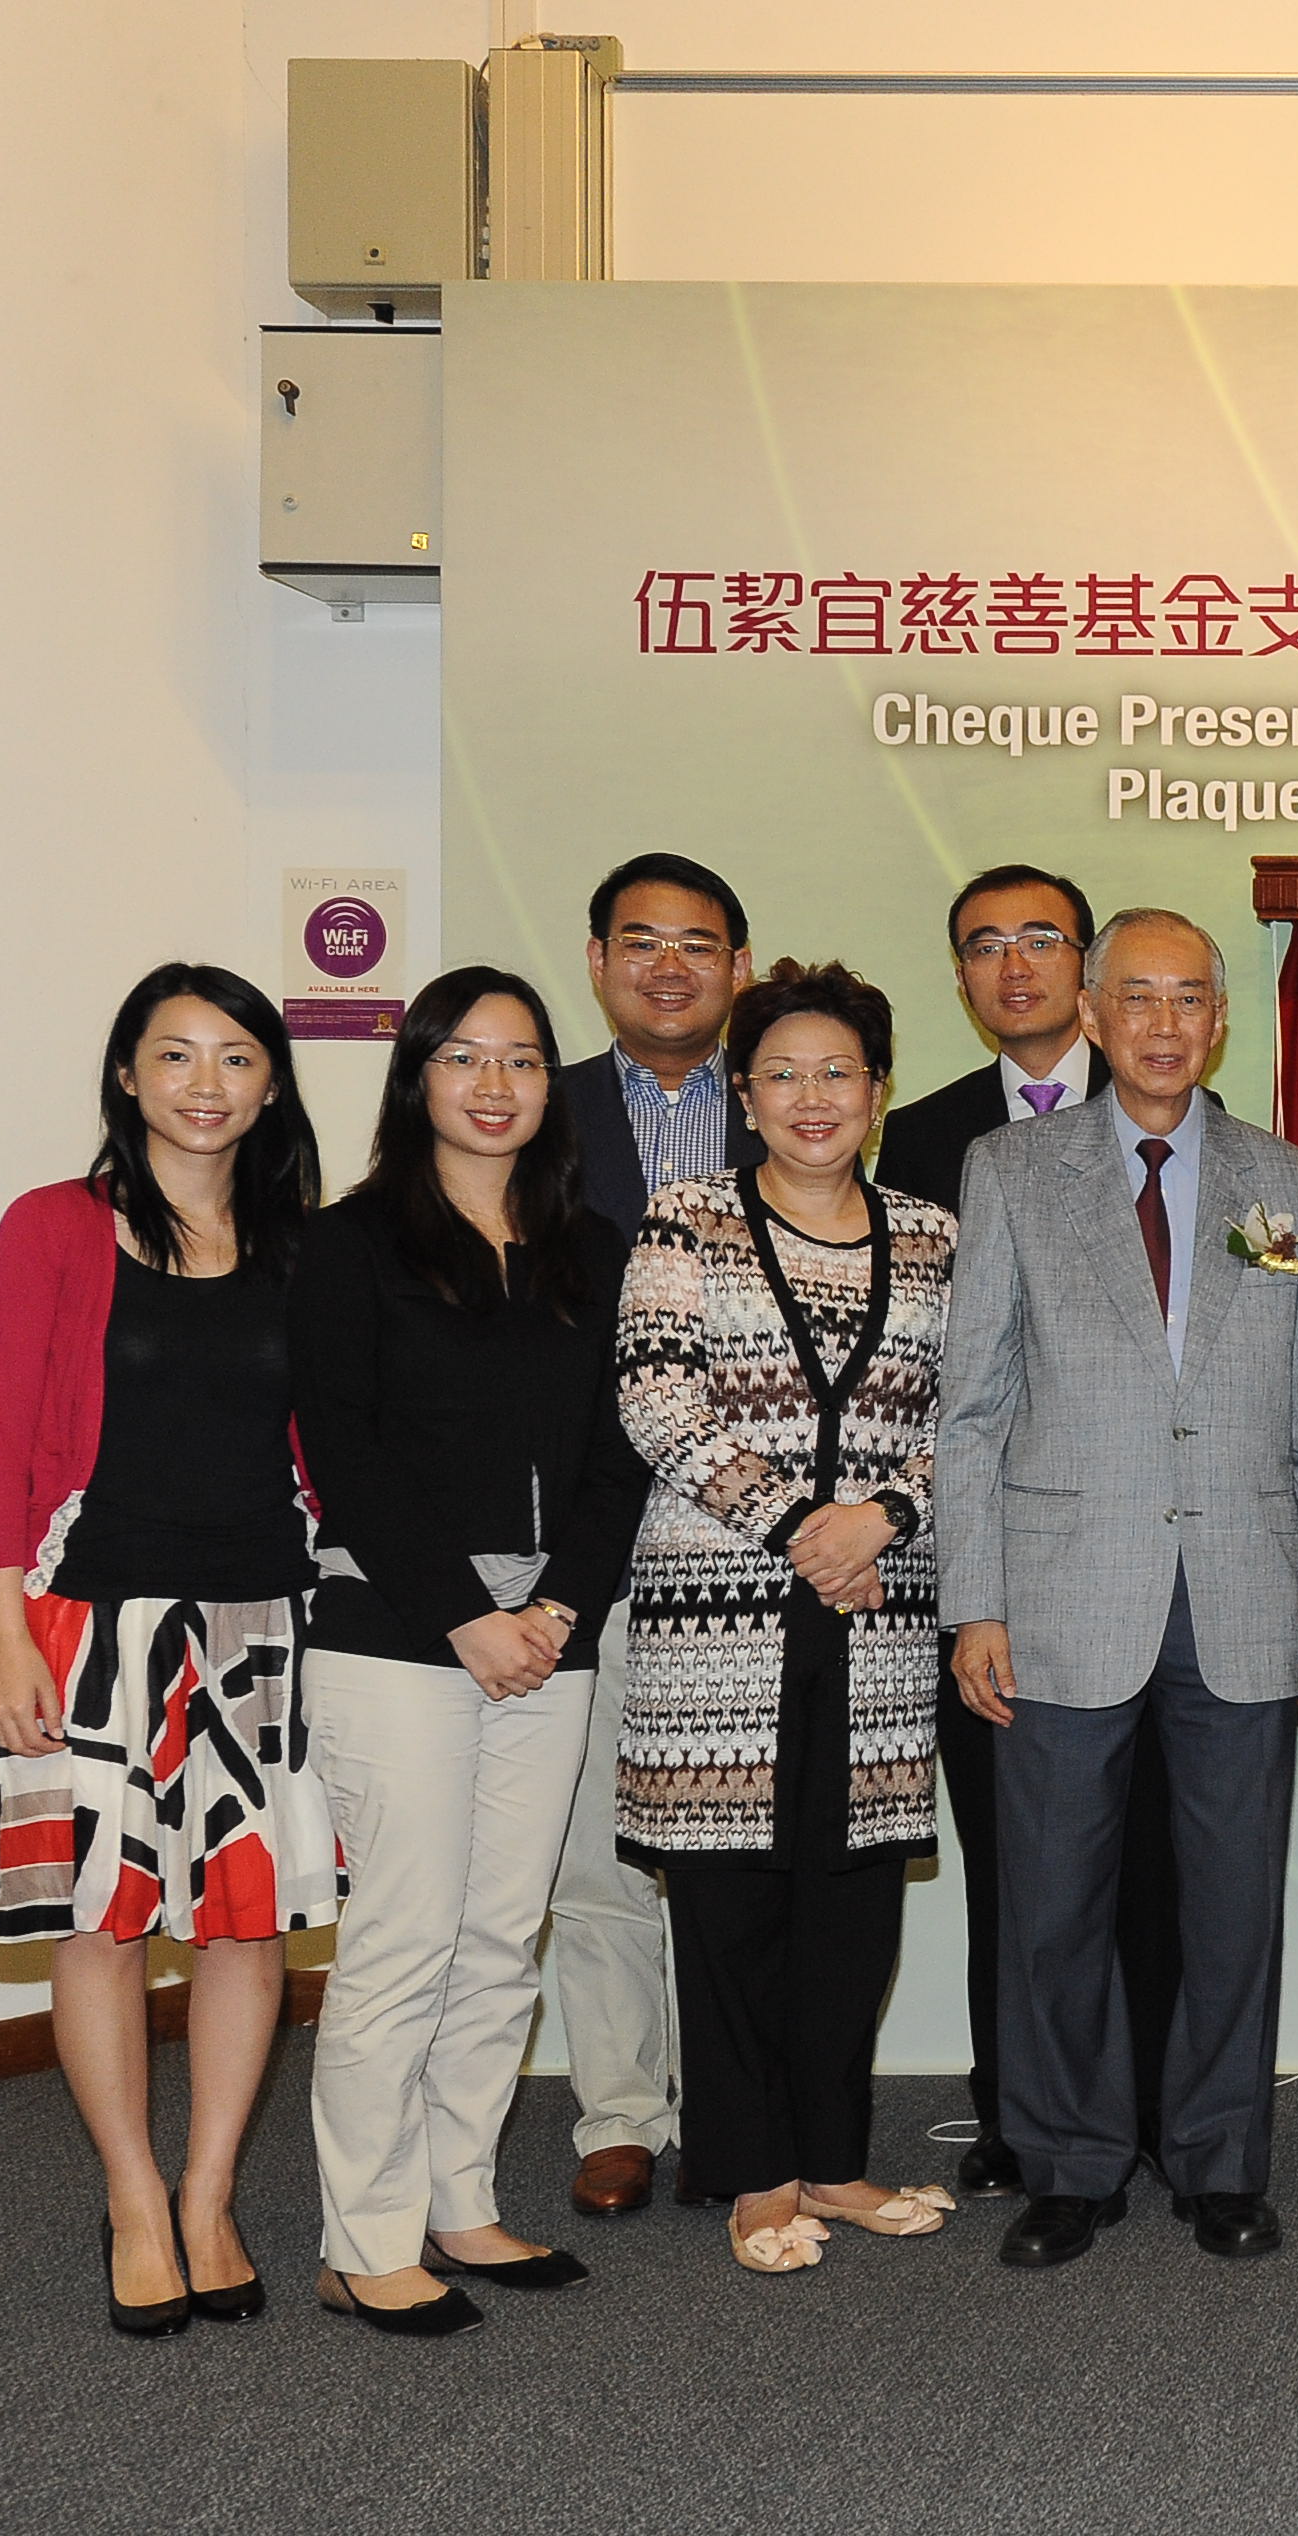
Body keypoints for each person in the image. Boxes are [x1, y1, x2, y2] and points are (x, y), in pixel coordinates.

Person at [0, 964, 336, 2336]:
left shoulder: (302, 1248)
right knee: (97, 1925)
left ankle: (211, 2194)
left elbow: (337, 1445)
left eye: (236, 1059)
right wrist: (2, 1632)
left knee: (244, 1926)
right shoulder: (53, 1228)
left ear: (272, 1083)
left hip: (259, 1623)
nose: (207, 1084)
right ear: (128, 1077)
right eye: (177, 1056)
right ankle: (135, 2197)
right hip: (84, 1623)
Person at [941, 910, 1298, 2268]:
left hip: (1244, 1590)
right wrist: (973, 1600)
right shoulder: (1010, 1170)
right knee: (1054, 1899)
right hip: (1061, 1593)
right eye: (1140, 999)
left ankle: (1221, 2161)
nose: (1167, 1025)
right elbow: (975, 1408)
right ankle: (1070, 2162)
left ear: (1219, 1020)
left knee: (1232, 1902)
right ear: (1097, 1017)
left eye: (1192, 1000)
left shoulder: (1281, 1178)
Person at [290, 970, 643, 2337]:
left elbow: (618, 1459)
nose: (495, 1086)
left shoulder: (590, 1248)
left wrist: (558, 1612)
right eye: (463, 1058)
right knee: (404, 1935)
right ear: (417, 1078)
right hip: (399, 1629)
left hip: (550, 1633)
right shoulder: (350, 1244)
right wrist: (464, 1614)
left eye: (523, 1060)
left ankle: (458, 2202)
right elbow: (347, 1450)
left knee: (502, 1937)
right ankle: (362, 2235)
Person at [610, 961, 957, 2273]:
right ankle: (753, 2173)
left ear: (878, 1090)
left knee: (851, 1904)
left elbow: (969, 1420)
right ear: (744, 1097)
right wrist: (801, 1530)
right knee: (730, 1906)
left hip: (879, 1627)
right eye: (783, 1076)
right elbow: (656, 1403)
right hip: (720, 1630)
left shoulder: (934, 1236)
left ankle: (838, 2162)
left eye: (840, 1073)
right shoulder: (683, 1223)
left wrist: (883, 1520)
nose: (814, 1099)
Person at [870, 861, 1180, 2204]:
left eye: (1041, 941)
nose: (1015, 968)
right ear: (962, 976)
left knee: (1158, 1855)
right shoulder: (927, 1138)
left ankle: (1164, 2109)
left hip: (1155, 1566)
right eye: (984, 946)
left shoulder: (1190, 1125)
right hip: (1001, 1560)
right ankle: (1025, 2116)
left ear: (1092, 973)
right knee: (1018, 1862)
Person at [544, 851, 757, 2220]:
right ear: (598, 959)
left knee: (739, 1854)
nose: (670, 967)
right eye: (642, 942)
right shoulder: (529, 1114)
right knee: (596, 1851)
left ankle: (741, 2107)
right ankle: (621, 2114)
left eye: (699, 945)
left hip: (757, 1548)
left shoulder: (802, 1101)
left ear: (740, 967)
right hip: (588, 1537)